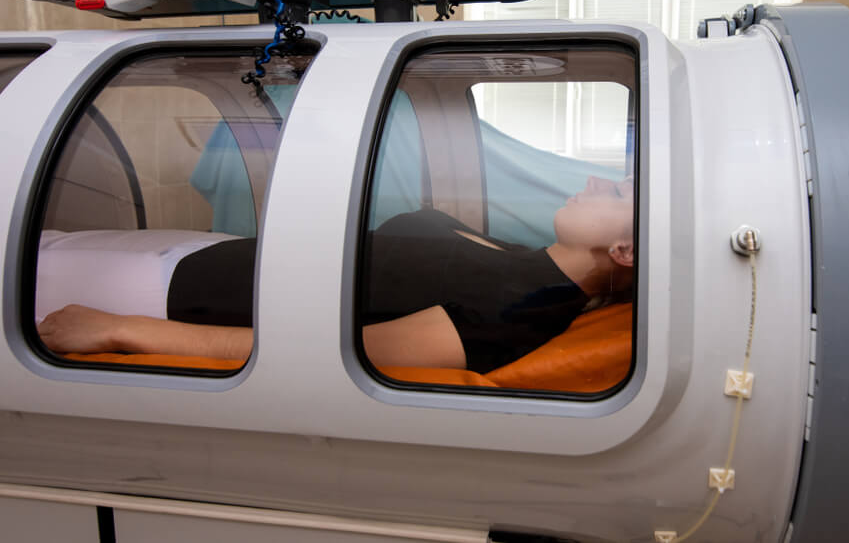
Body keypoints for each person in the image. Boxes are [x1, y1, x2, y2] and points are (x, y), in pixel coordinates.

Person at [38, 176, 634, 373]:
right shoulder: (521, 259)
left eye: (617, 191)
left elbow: (309, 357)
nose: (594, 183)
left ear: (625, 251)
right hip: (211, 257)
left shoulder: (516, 314)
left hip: (169, 297)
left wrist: (120, 330)